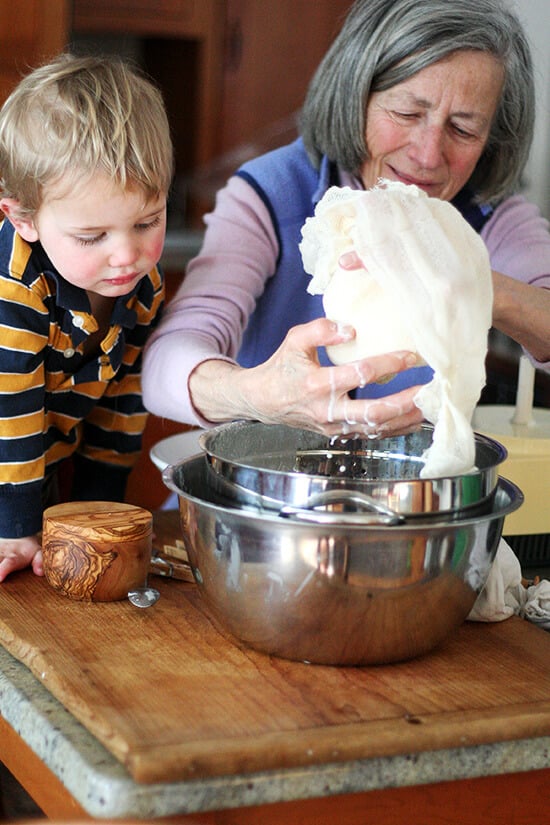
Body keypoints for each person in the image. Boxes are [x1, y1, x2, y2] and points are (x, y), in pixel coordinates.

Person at [142, 0, 550, 439]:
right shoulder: (272, 194)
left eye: (463, 130)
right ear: (355, 96)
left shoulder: (491, 218)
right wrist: (257, 394)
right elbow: (166, 365)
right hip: (257, 491)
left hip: (410, 498)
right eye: (407, 114)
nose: (428, 155)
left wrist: (476, 282)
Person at [0, 53, 173, 582]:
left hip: (35, 470)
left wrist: (101, 516)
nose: (127, 255)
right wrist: (15, 526)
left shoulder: (142, 290)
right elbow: (11, 415)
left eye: (148, 221)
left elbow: (121, 407)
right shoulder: (14, 287)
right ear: (23, 218)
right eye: (92, 237)